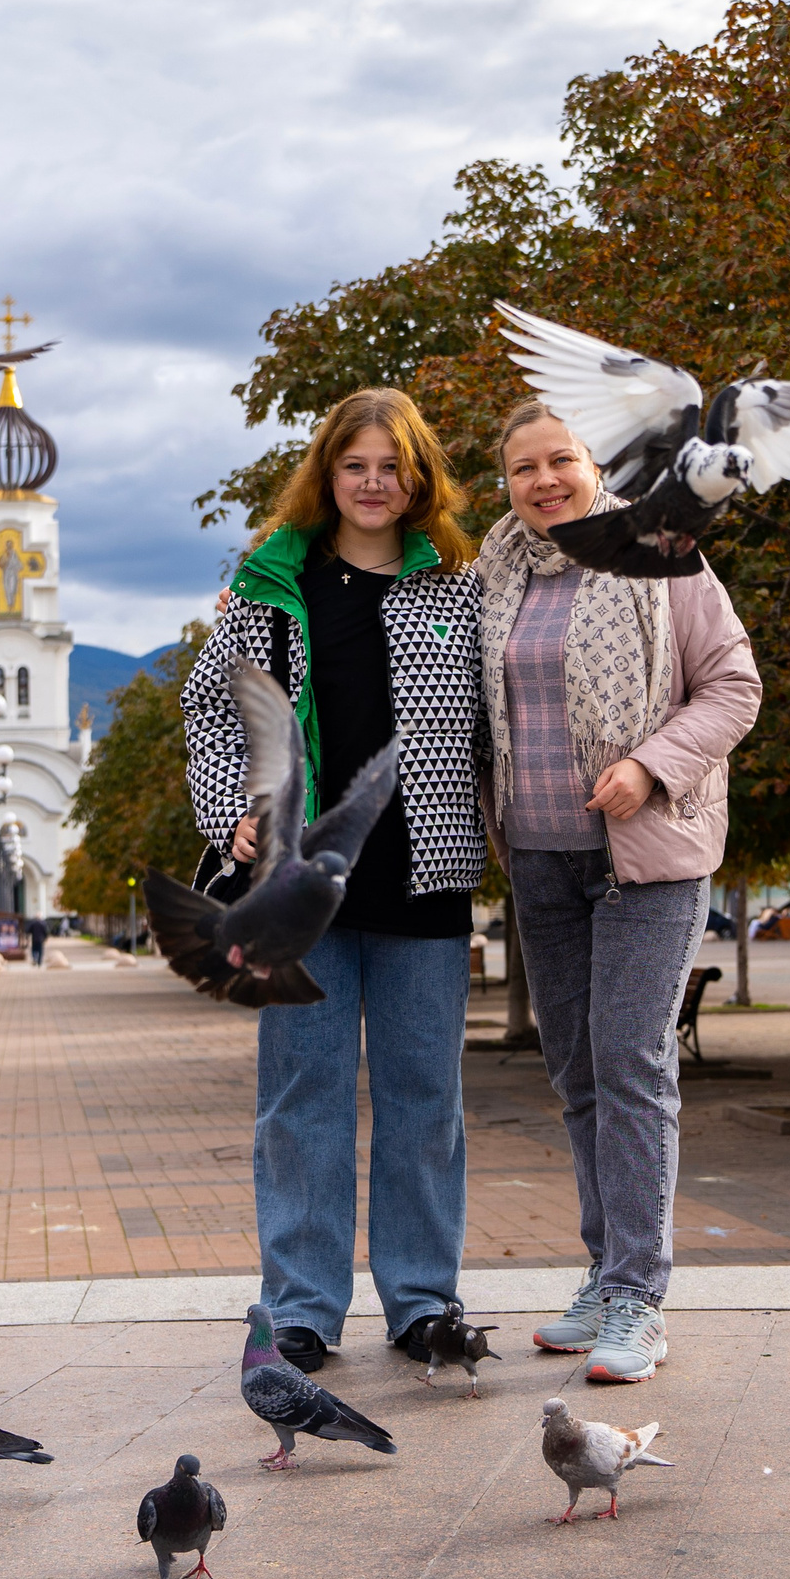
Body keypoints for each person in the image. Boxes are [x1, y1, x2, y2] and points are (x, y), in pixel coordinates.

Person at [181, 387, 484, 1374]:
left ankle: (423, 1302)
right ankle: (301, 1307)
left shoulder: (460, 588)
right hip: (296, 895)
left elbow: (501, 713)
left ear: (418, 480)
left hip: (425, 877)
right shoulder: (272, 590)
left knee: (423, 1099)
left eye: (392, 467)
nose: (373, 483)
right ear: (328, 474)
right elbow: (209, 711)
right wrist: (231, 805)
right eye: (355, 465)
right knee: (302, 1098)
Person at [477, 398, 761, 1383]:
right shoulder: (496, 571)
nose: (544, 480)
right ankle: (605, 1277)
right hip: (541, 857)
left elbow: (733, 686)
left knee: (632, 1064)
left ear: (595, 466)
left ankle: (640, 1297)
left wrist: (648, 766)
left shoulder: (663, 552)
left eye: (561, 460)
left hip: (647, 856)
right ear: (506, 483)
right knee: (578, 1074)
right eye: (524, 468)